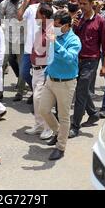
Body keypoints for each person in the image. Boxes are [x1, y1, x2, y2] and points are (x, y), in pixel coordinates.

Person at [40, 10, 82, 160]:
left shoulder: (74, 40)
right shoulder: (55, 36)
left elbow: (70, 58)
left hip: (66, 83)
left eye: (57, 25)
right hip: (51, 79)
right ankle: (58, 132)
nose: (55, 28)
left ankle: (60, 147)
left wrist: (55, 43)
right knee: (43, 109)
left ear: (66, 25)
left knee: (64, 116)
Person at [71, 0, 105, 136]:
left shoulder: (100, 21)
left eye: (84, 4)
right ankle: (93, 113)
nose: (81, 6)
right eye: (80, 3)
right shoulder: (78, 19)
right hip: (76, 59)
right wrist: (72, 25)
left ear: (92, 3)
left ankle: (75, 126)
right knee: (82, 88)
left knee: (81, 91)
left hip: (91, 60)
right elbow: (71, 38)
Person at [18, 0, 55, 103]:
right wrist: (24, 3)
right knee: (24, 72)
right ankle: (36, 91)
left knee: (42, 76)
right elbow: (19, 17)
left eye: (51, 1)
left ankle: (41, 96)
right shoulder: (32, 9)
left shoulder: (54, 11)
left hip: (44, 51)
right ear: (40, 0)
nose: (49, 3)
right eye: (46, 1)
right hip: (30, 48)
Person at [25, 3, 54, 140]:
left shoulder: (51, 31)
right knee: (36, 100)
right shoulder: (39, 29)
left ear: (43, 15)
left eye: (37, 13)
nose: (35, 15)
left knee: (39, 99)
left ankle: (48, 128)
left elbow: (52, 52)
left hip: (44, 70)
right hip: (35, 70)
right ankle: (38, 125)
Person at [0, 0, 25, 101]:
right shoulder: (3, 4)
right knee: (2, 64)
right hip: (7, 38)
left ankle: (20, 92)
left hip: (22, 38)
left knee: (22, 66)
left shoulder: (25, 2)